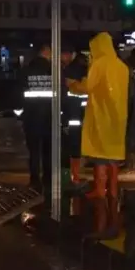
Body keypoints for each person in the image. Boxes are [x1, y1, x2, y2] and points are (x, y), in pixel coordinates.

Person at [67, 32, 129, 199]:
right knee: (114, 157)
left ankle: (100, 190)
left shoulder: (100, 64)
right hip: (118, 118)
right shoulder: (121, 66)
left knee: (100, 157)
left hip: (102, 116)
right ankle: (113, 190)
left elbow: (87, 87)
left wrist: (72, 84)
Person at [19, 42, 72, 193]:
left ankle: (34, 181)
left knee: (34, 151)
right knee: (49, 150)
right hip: (51, 118)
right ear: (47, 52)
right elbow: (63, 96)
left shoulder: (26, 71)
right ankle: (48, 180)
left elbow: (17, 95)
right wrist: (64, 117)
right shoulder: (55, 71)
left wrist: (21, 114)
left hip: (31, 118)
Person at [63, 48, 89, 187]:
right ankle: (76, 175)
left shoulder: (72, 68)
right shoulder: (83, 65)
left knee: (74, 145)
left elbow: (69, 93)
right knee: (77, 145)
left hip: (74, 113)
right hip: (82, 113)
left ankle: (75, 176)